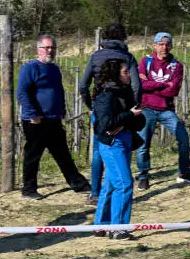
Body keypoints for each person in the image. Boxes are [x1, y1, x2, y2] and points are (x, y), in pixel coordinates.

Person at [16, 35, 90, 200]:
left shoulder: (54, 69)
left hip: (53, 118)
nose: (50, 51)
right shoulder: (30, 68)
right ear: (38, 49)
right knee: (33, 155)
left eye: (53, 48)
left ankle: (78, 183)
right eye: (47, 48)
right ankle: (28, 189)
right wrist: (33, 114)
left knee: (62, 152)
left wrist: (62, 109)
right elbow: (22, 92)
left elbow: (58, 91)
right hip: (36, 120)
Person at [79, 22, 141, 205]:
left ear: (104, 38)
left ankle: (95, 192)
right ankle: (119, 189)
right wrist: (134, 108)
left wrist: (91, 106)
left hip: (100, 108)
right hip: (122, 110)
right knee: (122, 149)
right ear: (123, 38)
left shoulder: (95, 56)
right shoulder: (127, 57)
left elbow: (83, 85)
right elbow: (136, 86)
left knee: (99, 151)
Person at [136, 32, 190, 189]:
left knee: (183, 139)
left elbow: (174, 91)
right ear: (155, 45)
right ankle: (143, 175)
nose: (164, 47)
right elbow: (141, 85)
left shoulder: (177, 66)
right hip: (147, 108)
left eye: (167, 44)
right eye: (161, 44)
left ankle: (184, 173)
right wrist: (164, 85)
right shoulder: (146, 61)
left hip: (166, 109)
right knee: (143, 144)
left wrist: (151, 84)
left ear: (171, 46)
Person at [91, 59, 144, 239]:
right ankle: (118, 228)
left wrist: (127, 119)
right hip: (113, 145)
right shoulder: (106, 96)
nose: (129, 75)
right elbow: (105, 124)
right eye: (125, 72)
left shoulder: (126, 93)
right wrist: (128, 116)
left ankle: (101, 225)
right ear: (116, 75)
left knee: (112, 184)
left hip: (126, 142)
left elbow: (140, 120)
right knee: (124, 183)